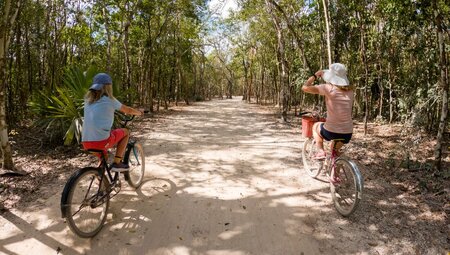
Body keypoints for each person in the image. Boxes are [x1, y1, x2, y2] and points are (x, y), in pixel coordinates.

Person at [81, 73, 143, 172]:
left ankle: (100, 179)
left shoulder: (87, 100)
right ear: (108, 87)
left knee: (103, 157)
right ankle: (117, 163)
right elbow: (128, 110)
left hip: (86, 142)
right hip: (101, 142)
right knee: (126, 132)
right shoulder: (110, 100)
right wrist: (139, 113)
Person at [301, 63, 354, 159]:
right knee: (334, 152)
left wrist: (315, 75)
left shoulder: (328, 88)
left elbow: (304, 88)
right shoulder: (351, 91)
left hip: (331, 131)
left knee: (315, 126)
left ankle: (320, 152)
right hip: (348, 132)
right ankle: (335, 172)